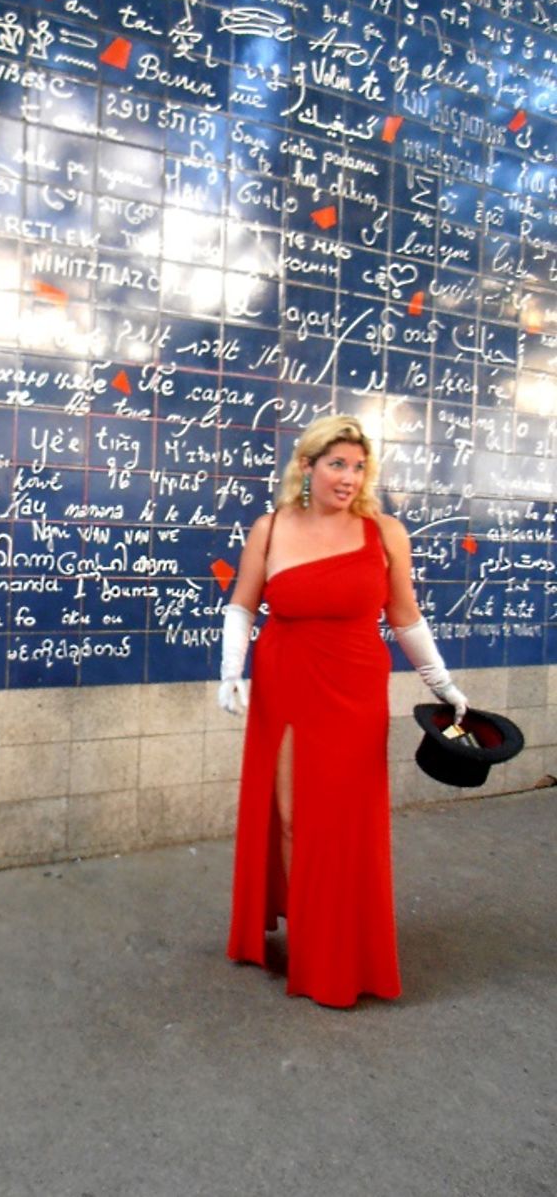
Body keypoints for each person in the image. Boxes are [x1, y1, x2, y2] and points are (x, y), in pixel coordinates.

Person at [218, 414, 468, 1008]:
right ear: (306, 467)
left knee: (344, 821)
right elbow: (241, 606)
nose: (349, 477)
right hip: (285, 684)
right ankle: (307, 937)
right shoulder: (271, 527)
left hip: (355, 690)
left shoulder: (385, 533)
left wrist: (443, 683)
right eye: (337, 464)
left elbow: (405, 616)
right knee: (289, 816)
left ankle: (338, 942)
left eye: (359, 467)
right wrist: (231, 671)